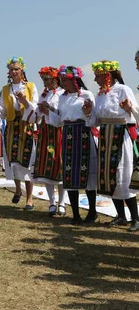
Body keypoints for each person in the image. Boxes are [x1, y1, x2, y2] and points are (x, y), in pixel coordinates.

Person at [84, 61, 139, 231]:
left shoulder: (123, 90)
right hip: (105, 136)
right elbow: (95, 121)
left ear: (107, 75)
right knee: (108, 176)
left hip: (120, 136)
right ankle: (121, 216)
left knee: (123, 175)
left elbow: (135, 114)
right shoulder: (100, 94)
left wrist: (129, 108)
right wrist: (88, 112)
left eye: (97, 75)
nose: (95, 79)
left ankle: (135, 219)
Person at [47, 66, 98, 224]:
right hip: (68, 134)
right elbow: (59, 121)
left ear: (74, 79)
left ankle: (92, 212)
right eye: (61, 79)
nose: (62, 81)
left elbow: (94, 118)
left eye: (65, 79)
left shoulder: (86, 94)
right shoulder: (62, 97)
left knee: (87, 171)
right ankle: (75, 214)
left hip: (83, 132)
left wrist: (88, 112)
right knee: (70, 174)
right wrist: (49, 111)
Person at [0, 56, 38, 211]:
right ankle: (18, 188)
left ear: (22, 71)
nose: (14, 72)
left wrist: (24, 100)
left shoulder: (31, 86)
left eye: (17, 69)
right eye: (12, 69)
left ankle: (30, 198)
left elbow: (36, 107)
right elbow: (2, 110)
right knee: (13, 161)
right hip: (12, 126)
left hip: (26, 125)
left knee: (27, 160)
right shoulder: (6, 89)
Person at [28, 67, 66, 216]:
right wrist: (39, 109)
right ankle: (51, 202)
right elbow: (36, 115)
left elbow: (63, 115)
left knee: (60, 165)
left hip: (58, 132)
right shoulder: (43, 95)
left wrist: (49, 109)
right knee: (46, 166)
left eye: (47, 79)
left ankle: (62, 202)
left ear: (55, 79)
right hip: (45, 133)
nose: (45, 82)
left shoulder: (62, 94)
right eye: (43, 79)